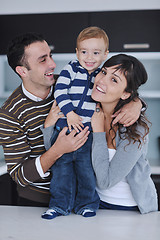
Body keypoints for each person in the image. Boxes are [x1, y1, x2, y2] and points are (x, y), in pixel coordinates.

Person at [41, 27, 144, 219]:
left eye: (96, 53)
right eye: (103, 73)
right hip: (68, 128)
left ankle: (84, 204)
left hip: (126, 211)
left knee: (84, 170)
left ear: (105, 54)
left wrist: (137, 104)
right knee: (62, 172)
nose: (101, 80)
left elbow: (128, 93)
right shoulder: (73, 71)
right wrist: (53, 123)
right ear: (77, 52)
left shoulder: (129, 122)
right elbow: (60, 91)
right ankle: (60, 206)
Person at [0, 32, 90, 207]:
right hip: (38, 203)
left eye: (51, 56)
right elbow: (19, 175)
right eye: (43, 60)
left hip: (83, 197)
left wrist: (136, 103)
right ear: (22, 71)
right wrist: (58, 150)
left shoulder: (69, 84)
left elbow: (115, 92)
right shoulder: (10, 114)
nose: (53, 64)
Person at [91, 53, 158, 214]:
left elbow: (105, 182)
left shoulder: (136, 129)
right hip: (95, 204)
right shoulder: (89, 111)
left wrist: (99, 132)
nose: (101, 81)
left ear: (126, 94)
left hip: (130, 209)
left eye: (114, 80)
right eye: (103, 72)